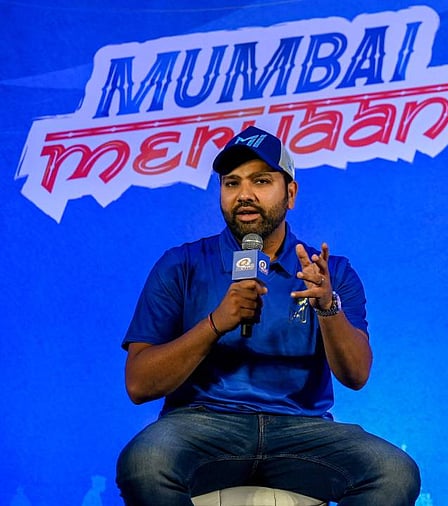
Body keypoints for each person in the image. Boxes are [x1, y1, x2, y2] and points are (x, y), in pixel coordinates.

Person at [116, 126, 420, 505]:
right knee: (144, 463)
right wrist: (216, 323)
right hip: (201, 425)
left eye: (261, 180)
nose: (244, 194)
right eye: (231, 183)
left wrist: (327, 305)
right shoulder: (182, 265)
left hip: (302, 431)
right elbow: (138, 384)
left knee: (394, 472)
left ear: (290, 193)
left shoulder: (331, 273)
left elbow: (356, 375)